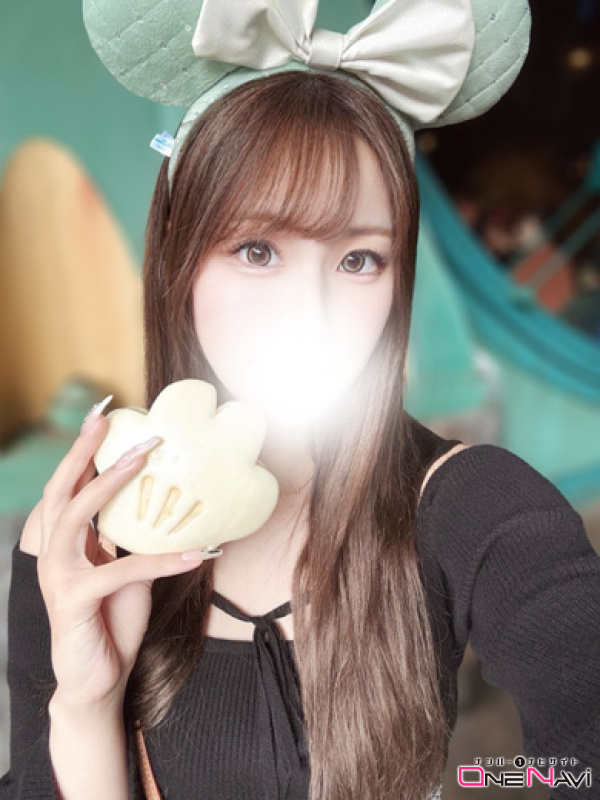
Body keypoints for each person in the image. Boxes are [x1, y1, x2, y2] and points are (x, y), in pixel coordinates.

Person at [3, 1, 600, 799]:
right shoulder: (82, 533)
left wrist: (493, 779)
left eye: (359, 260)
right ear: (178, 255)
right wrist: (85, 707)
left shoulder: (471, 506)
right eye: (258, 250)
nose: (308, 314)